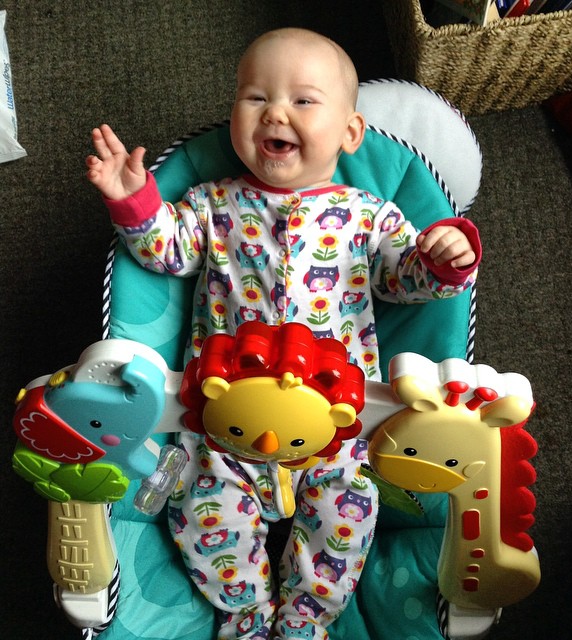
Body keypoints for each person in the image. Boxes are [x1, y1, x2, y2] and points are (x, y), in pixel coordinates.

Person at [86, 28, 481, 640]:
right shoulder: (212, 202)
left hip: (338, 431)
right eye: (254, 98)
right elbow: (166, 252)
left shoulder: (367, 214)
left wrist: (440, 257)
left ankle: (307, 617)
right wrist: (134, 202)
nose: (275, 111)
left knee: (347, 518)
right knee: (201, 508)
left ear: (350, 133)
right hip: (218, 426)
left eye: (303, 100)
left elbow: (406, 282)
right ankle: (243, 610)